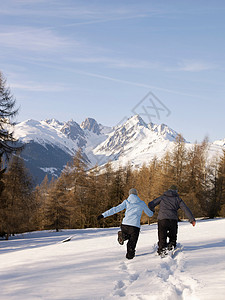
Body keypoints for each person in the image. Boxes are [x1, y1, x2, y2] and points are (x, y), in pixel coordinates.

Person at [97, 188, 154, 259]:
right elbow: (150, 214)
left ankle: (123, 236)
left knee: (127, 235)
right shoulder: (141, 203)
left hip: (125, 224)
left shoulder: (126, 202)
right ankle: (130, 256)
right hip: (135, 226)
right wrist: (152, 210)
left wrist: (103, 215)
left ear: (129, 194)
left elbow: (115, 209)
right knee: (132, 243)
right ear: (137, 194)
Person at [148, 185, 196, 256]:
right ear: (176, 191)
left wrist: (152, 210)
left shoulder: (162, 198)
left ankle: (162, 249)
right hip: (173, 220)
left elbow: (151, 204)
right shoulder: (178, 199)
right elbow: (185, 209)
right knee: (173, 235)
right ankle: (171, 246)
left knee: (162, 235)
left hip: (162, 219)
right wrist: (192, 219)